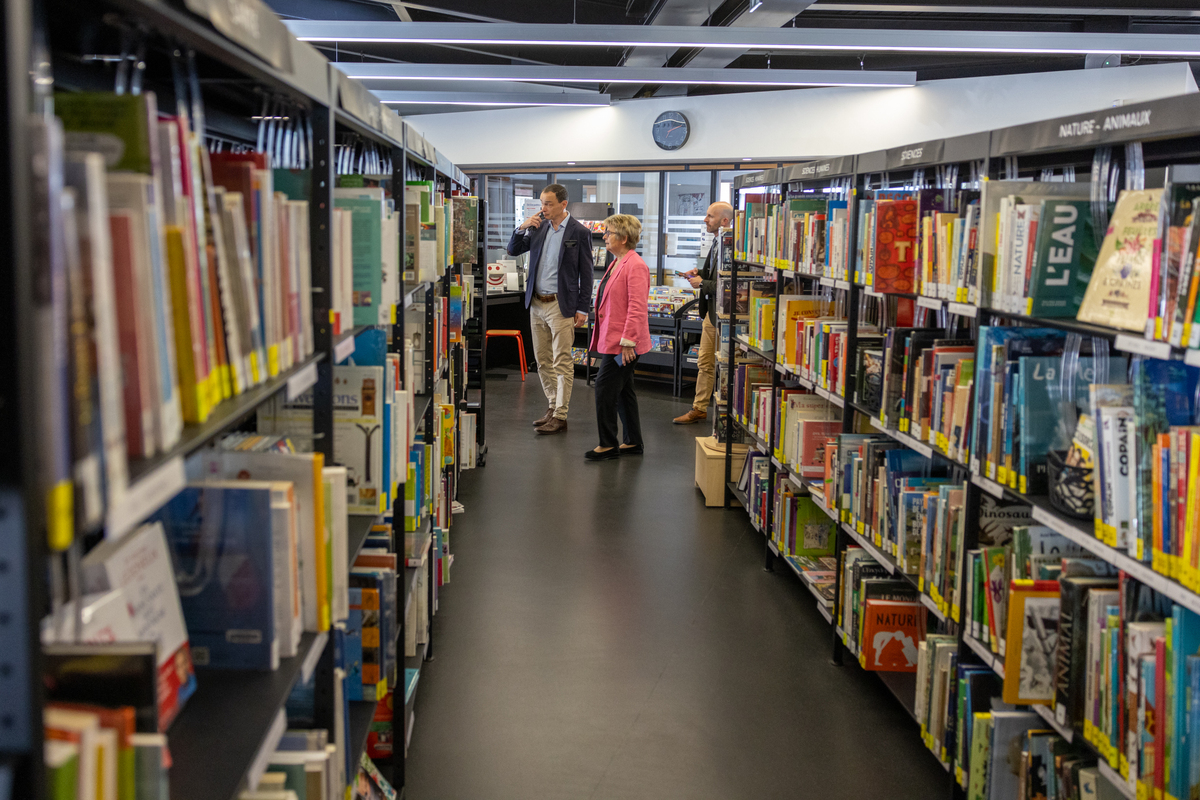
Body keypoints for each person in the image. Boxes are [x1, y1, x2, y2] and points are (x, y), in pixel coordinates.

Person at [506, 184, 594, 435]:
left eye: (548, 203)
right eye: (542, 203)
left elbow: (586, 276)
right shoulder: (538, 227)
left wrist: (583, 308)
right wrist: (521, 228)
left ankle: (561, 415)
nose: (543, 208)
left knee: (562, 361)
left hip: (561, 305)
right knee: (543, 360)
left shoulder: (580, 232)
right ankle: (552, 405)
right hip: (536, 303)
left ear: (563, 205)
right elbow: (513, 250)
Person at [586, 214, 651, 461]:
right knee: (624, 391)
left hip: (624, 345)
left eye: (609, 233)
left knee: (604, 387)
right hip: (614, 340)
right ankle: (633, 441)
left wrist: (628, 342)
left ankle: (607, 444)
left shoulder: (635, 265)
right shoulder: (618, 262)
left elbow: (637, 306)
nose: (604, 236)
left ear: (623, 238)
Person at [673, 201, 734, 425]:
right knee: (705, 362)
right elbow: (715, 273)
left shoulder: (732, 244)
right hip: (711, 312)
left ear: (724, 220)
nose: (705, 220)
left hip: (726, 314)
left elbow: (732, 284)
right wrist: (699, 273)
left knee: (723, 363)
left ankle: (725, 409)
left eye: (710, 216)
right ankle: (699, 408)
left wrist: (702, 284)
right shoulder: (717, 241)